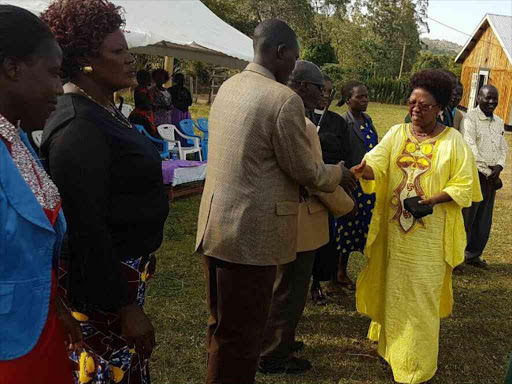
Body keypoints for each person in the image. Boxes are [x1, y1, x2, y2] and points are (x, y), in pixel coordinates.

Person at [196, 19, 347, 384]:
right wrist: (340, 172)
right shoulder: (283, 99)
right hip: (251, 235)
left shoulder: (230, 85)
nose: (294, 66)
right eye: (294, 58)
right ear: (280, 53)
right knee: (244, 336)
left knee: (221, 327)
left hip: (216, 225)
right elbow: (305, 171)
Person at [40, 1, 169, 382]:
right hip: (103, 292)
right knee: (108, 371)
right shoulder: (78, 127)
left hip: (124, 274)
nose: (131, 60)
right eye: (119, 52)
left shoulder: (104, 109)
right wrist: (125, 306)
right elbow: (85, 228)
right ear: (83, 62)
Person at [352, 69, 482, 384]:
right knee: (394, 292)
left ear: (439, 108)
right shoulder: (397, 133)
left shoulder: (454, 142)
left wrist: (433, 200)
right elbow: (379, 160)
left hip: (429, 243)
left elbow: (465, 185)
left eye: (423, 106)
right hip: (396, 237)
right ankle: (392, 349)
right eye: (411, 103)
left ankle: (416, 367)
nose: (415, 110)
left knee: (421, 298)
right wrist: (366, 170)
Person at [0, 5, 82, 383]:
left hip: (39, 326)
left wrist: (55, 305)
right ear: (12, 67)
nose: (58, 88)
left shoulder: (16, 139)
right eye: (52, 73)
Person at [259, 61, 355, 374]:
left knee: (279, 287)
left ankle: (279, 339)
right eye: (319, 89)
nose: (323, 96)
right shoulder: (303, 124)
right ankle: (274, 353)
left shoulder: (272, 111)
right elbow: (314, 176)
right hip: (300, 219)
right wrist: (345, 201)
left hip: (279, 214)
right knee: (290, 290)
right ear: (302, 87)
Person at [309, 75, 355, 305]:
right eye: (321, 90)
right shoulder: (299, 116)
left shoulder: (337, 122)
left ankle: (318, 284)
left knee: (324, 240)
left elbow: (345, 154)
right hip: (305, 189)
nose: (324, 96)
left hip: (329, 188)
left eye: (328, 92)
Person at [333, 81, 378, 293]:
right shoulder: (343, 123)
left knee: (361, 227)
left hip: (367, 185)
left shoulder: (368, 121)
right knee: (344, 228)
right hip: (350, 184)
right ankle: (338, 274)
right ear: (348, 100)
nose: (365, 100)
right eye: (360, 97)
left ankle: (347, 273)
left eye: (366, 96)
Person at [461, 84, 508, 269]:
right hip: (475, 175)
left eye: (494, 98)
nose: (491, 102)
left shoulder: (499, 121)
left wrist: (499, 166)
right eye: (487, 98)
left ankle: (473, 255)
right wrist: (490, 174)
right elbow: (471, 149)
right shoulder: (469, 119)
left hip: (492, 177)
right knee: (468, 217)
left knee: (484, 219)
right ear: (478, 98)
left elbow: (503, 147)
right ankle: (458, 256)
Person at [130, 69, 157, 136]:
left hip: (145, 115)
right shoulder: (141, 91)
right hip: (142, 117)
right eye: (149, 78)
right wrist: (153, 105)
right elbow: (146, 105)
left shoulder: (144, 90)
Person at [170, 72, 193, 145]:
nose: (182, 81)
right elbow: (172, 101)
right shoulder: (171, 90)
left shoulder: (186, 90)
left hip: (185, 112)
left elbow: (190, 102)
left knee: (185, 130)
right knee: (177, 129)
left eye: (183, 79)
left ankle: (185, 145)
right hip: (176, 112)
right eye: (180, 79)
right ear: (176, 80)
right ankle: (176, 146)